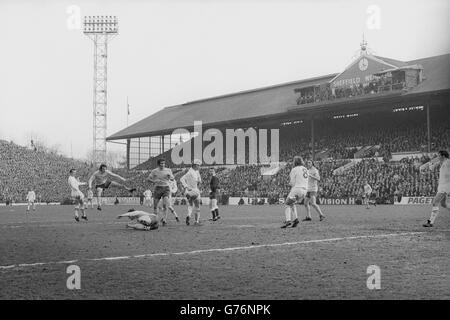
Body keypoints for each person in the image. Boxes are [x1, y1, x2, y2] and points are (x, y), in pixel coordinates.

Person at [423, 150, 450, 227]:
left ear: (443, 156)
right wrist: (429, 164)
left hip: (446, 186)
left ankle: (430, 222)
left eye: (439, 155)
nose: (437, 157)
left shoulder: (448, 162)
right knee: (443, 204)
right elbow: (431, 168)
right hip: (441, 185)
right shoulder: (441, 162)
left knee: (435, 202)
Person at [281, 156, 308, 228]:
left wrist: (289, 184)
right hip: (304, 191)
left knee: (287, 204)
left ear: (295, 162)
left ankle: (288, 221)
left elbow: (292, 182)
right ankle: (295, 219)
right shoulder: (305, 169)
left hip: (297, 190)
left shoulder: (294, 169)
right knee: (292, 203)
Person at [148, 159, 174, 226]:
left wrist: (170, 177)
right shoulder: (154, 171)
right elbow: (148, 179)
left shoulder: (168, 170)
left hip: (166, 188)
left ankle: (164, 220)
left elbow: (172, 178)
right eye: (161, 163)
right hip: (158, 188)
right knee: (155, 206)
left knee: (165, 205)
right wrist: (154, 181)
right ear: (158, 164)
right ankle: (155, 220)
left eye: (164, 163)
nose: (163, 165)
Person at [180, 159, 202, 226]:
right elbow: (199, 182)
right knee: (197, 207)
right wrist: (187, 186)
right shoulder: (192, 172)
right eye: (198, 165)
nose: (199, 167)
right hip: (194, 191)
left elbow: (182, 179)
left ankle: (189, 215)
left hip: (188, 192)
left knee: (190, 205)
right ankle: (196, 221)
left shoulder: (192, 172)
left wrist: (186, 187)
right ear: (195, 165)